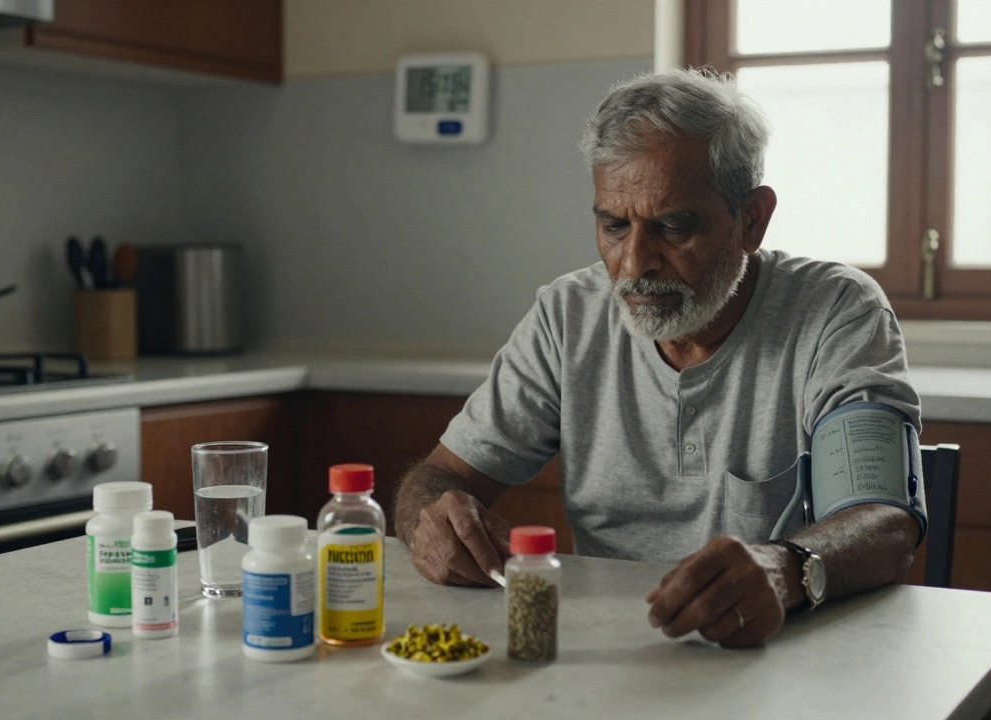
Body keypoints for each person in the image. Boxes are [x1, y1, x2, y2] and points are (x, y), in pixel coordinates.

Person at [393, 69, 923, 648]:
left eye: (673, 226)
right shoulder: (567, 317)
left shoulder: (836, 312)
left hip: (785, 646)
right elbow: (439, 476)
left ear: (752, 219)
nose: (633, 263)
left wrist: (787, 569)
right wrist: (430, 520)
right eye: (613, 226)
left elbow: (884, 520)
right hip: (606, 650)